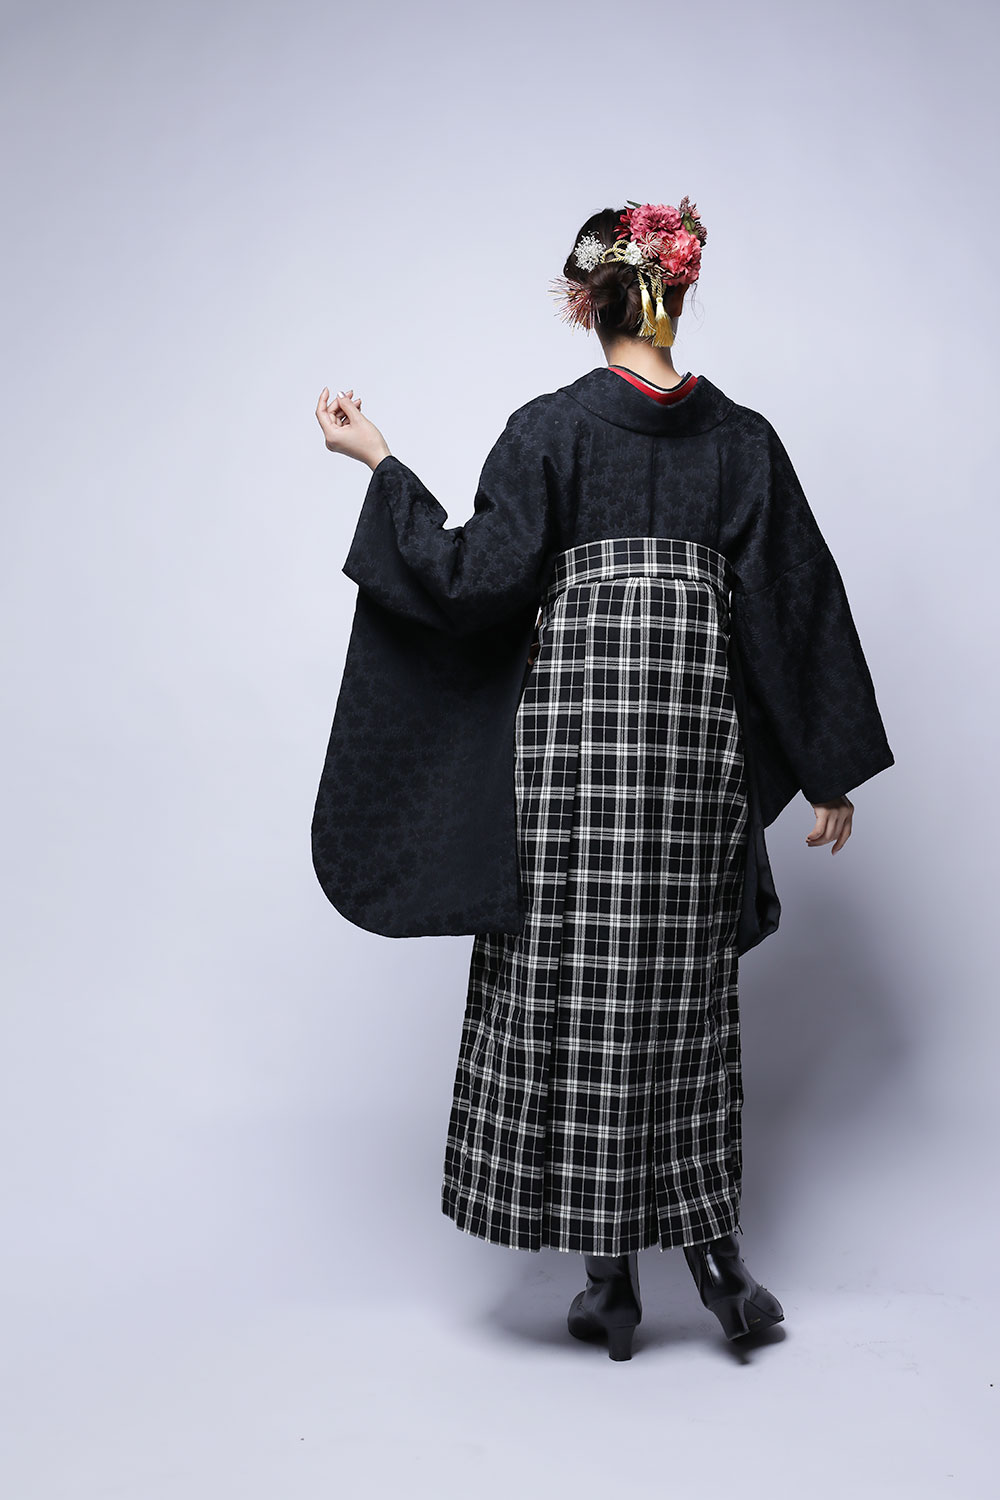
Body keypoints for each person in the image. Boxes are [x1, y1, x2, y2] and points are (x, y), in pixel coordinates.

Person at [311, 200, 895, 1362]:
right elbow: (793, 602)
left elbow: (470, 583)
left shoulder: (548, 432)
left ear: (588, 306)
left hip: (569, 771)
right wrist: (827, 767)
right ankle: (722, 1275)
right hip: (692, 769)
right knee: (686, 1006)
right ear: (679, 293)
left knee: (572, 999)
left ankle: (610, 1285)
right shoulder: (743, 443)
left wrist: (380, 464)